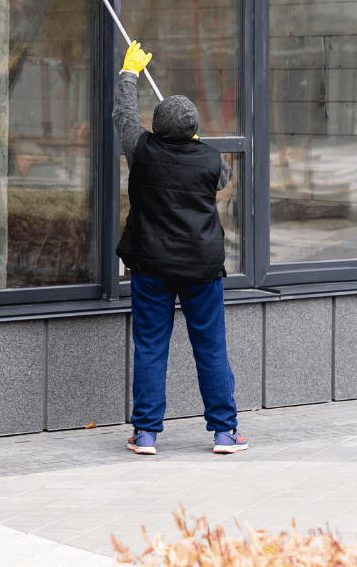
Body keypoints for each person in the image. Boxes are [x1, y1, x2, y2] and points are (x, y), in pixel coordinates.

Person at [113, 41, 247, 456]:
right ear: (193, 129)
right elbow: (222, 178)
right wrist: (198, 144)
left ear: (157, 126)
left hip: (151, 266)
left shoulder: (141, 149)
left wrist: (129, 72)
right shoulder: (211, 160)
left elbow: (124, 115)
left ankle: (147, 434)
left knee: (151, 346)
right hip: (202, 269)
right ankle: (225, 433)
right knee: (211, 347)